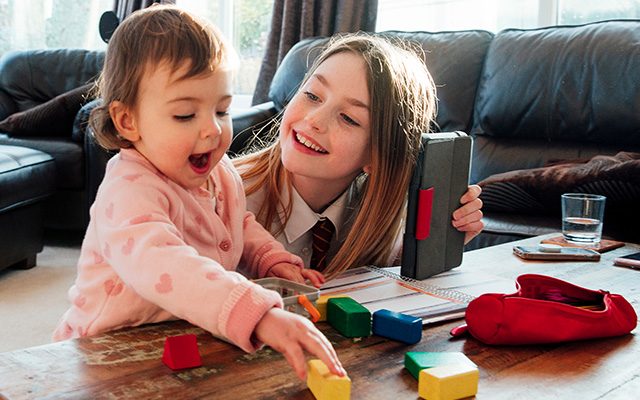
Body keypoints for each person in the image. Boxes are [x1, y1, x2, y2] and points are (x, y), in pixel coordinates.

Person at [52, 5, 344, 381]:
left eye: (221, 110)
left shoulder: (220, 173)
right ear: (129, 121)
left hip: (181, 332)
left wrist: (269, 259)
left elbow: (239, 221)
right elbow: (167, 263)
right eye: (186, 115)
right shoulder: (128, 190)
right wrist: (257, 312)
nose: (212, 130)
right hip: (106, 353)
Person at [235, 33, 484, 283]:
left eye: (348, 118)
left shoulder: (383, 214)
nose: (314, 120)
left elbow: (387, 281)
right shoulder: (223, 198)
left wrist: (438, 245)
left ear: (378, 155)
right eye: (312, 95)